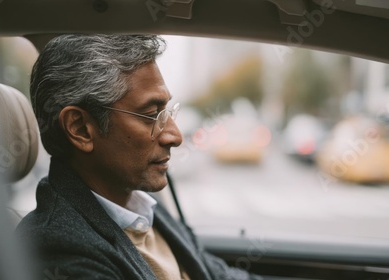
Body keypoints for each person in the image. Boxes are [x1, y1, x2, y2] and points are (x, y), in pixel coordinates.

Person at [16, 34, 265, 280]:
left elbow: (216, 274)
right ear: (80, 128)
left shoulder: (141, 204)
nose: (175, 136)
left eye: (167, 112)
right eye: (150, 115)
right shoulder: (57, 250)